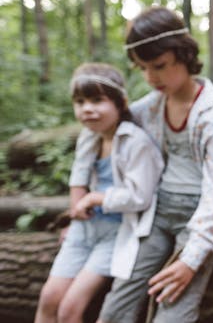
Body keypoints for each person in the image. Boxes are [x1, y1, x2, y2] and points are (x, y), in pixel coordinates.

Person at [70, 7, 213, 323]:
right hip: (156, 215)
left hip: (201, 220)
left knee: (172, 310)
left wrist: (190, 260)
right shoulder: (149, 108)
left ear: (184, 54)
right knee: (116, 306)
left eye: (160, 66)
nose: (151, 78)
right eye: (142, 69)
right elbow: (102, 125)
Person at [35, 63, 164, 323]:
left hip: (115, 234)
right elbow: (78, 178)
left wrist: (96, 198)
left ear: (120, 103)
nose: (87, 109)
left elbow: (140, 197)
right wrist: (75, 217)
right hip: (84, 230)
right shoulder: (89, 137)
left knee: (69, 309)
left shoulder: (135, 142)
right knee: (49, 299)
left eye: (97, 100)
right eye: (80, 102)